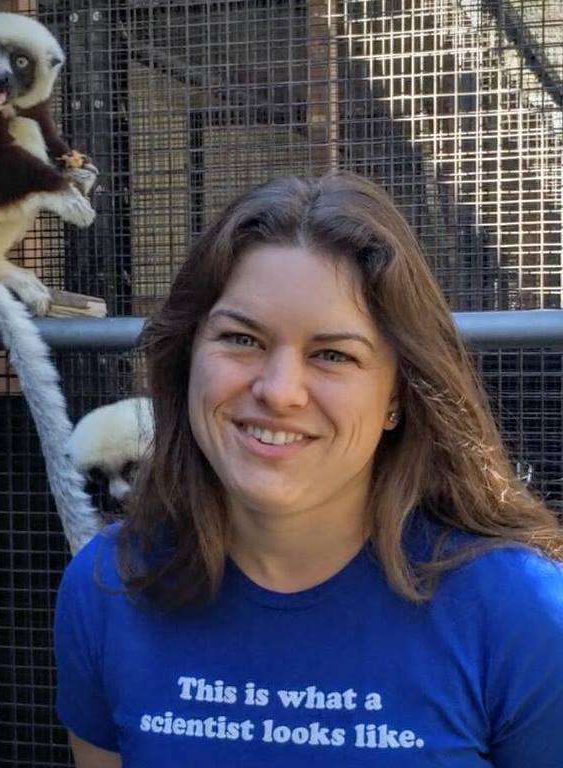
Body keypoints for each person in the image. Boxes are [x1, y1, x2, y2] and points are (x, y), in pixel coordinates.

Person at [54, 171, 563, 767]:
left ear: (398, 393)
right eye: (242, 339)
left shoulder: (521, 614)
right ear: (186, 357)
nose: (279, 391)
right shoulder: (109, 586)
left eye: (332, 355)